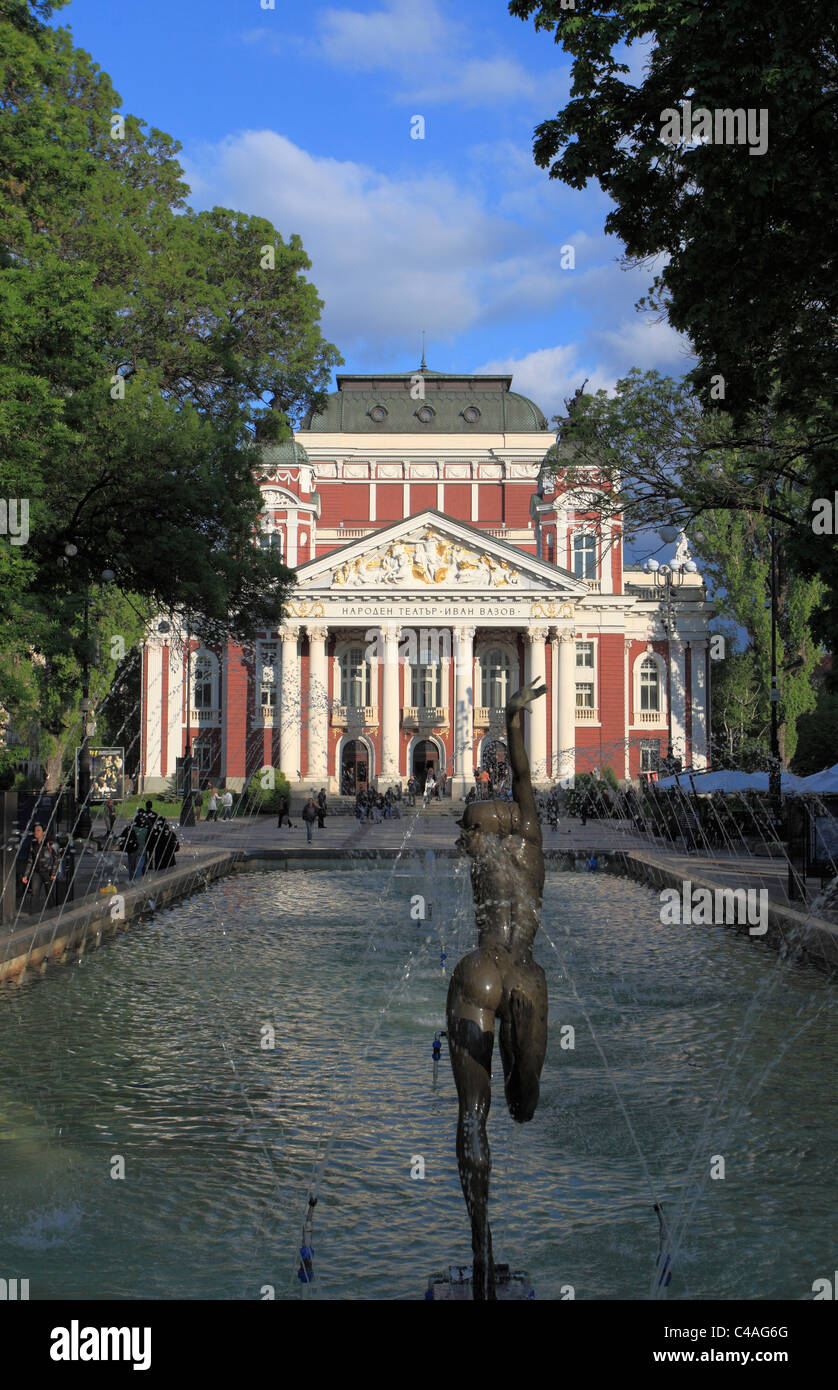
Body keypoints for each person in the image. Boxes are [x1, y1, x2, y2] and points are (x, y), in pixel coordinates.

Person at [447, 683, 549, 1300]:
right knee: (523, 1106)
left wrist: (500, 717)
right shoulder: (532, 834)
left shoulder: (477, 843)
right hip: (527, 978)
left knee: (474, 1119)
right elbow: (523, 772)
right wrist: (512, 717)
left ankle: (482, 1255)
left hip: (480, 969)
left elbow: (476, 816)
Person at [20, 824, 56, 912]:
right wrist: (26, 875)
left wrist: (53, 873)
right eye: (35, 830)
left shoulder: (49, 844)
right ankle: (32, 913)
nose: (36, 832)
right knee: (34, 893)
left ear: (44, 833)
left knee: (49, 893)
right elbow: (30, 860)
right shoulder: (33, 844)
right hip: (37, 872)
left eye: (38, 830)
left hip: (47, 871)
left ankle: (52, 912)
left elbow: (57, 858)